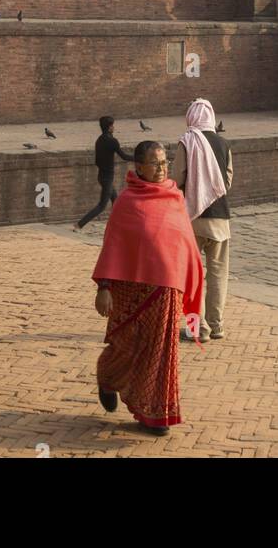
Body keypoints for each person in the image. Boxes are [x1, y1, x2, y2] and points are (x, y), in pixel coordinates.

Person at [92, 140, 203, 435]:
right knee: (126, 347)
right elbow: (113, 246)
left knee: (160, 352)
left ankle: (155, 414)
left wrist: (192, 277)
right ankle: (107, 376)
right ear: (138, 167)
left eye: (164, 162)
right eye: (155, 163)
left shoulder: (174, 197)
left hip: (167, 287)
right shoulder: (127, 202)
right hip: (130, 290)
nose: (161, 168)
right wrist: (104, 287)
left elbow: (185, 241)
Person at [171, 98, 232, 341]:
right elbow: (226, 182)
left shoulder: (187, 142)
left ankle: (198, 329)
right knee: (218, 274)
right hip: (220, 218)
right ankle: (216, 326)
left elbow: (177, 179)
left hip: (192, 219)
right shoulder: (224, 144)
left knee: (193, 275)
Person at [75, 116, 134, 230]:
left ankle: (121, 225)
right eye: (112, 125)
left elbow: (97, 161)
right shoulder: (112, 141)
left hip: (102, 176)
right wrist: (139, 158)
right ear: (109, 127)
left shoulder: (99, 140)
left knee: (116, 202)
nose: (113, 127)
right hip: (108, 177)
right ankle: (79, 225)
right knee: (102, 205)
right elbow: (124, 156)